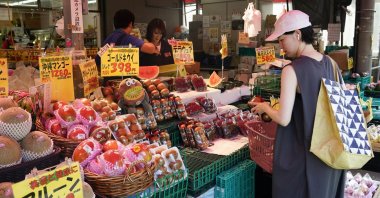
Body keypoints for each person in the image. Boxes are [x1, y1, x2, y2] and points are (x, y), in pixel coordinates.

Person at [251, 10, 345, 198]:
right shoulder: (331, 63)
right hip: (331, 154)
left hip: (302, 156)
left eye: (281, 40)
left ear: (297, 34)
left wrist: (265, 108)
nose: (280, 46)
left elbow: (284, 119)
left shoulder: (292, 70)